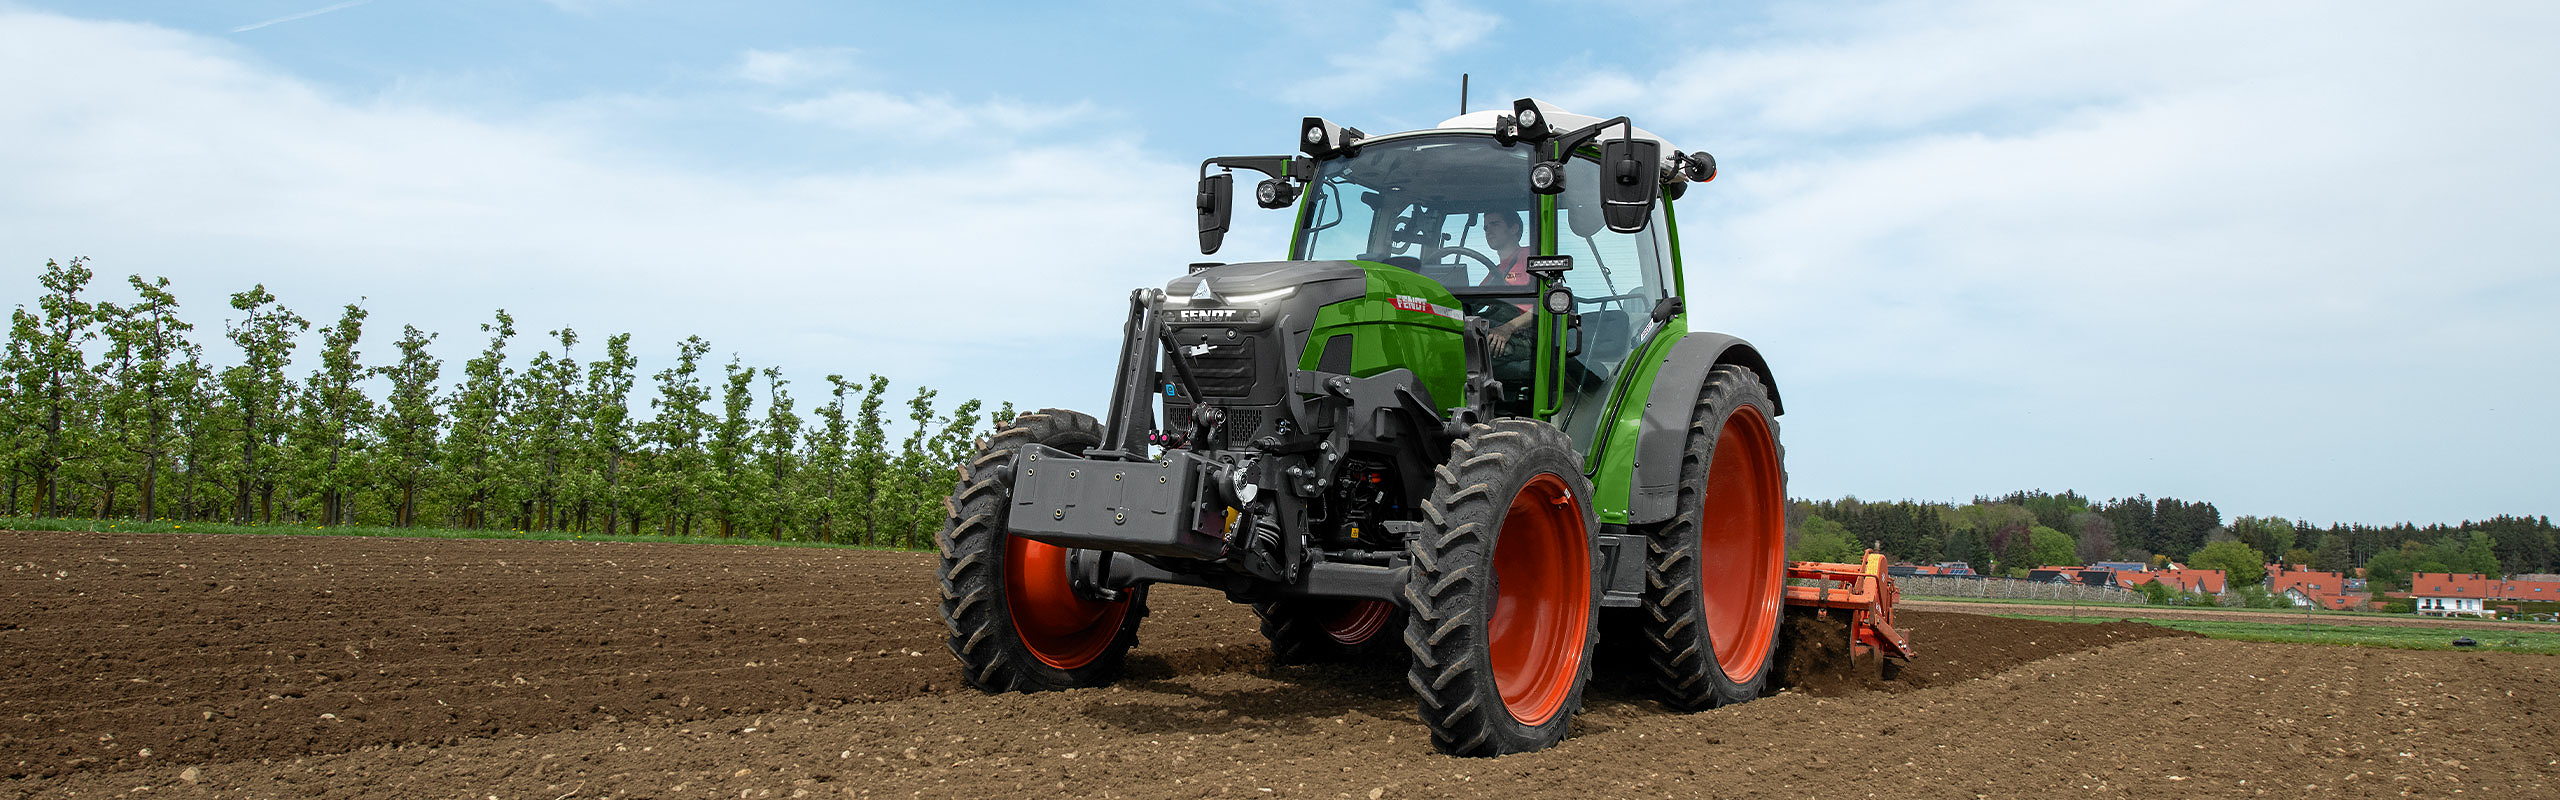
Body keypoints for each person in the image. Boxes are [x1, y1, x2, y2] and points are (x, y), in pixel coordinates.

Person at [1477, 211, 1537, 355]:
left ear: (1514, 228)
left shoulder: (1531, 258)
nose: (1488, 231)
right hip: (1499, 329)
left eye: (1494, 224)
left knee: (1478, 352)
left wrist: (1508, 328)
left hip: (1527, 334)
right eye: (1485, 228)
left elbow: (1544, 306)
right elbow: (1474, 301)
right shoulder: (1495, 272)